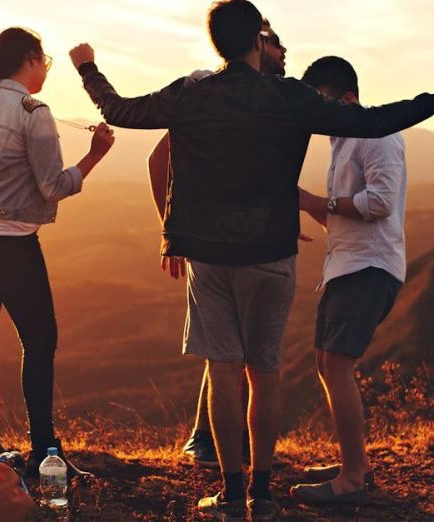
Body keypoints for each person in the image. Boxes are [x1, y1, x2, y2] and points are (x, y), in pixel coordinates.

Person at [69, 0, 434, 518]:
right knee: (265, 372)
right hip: (271, 253)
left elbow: (121, 111)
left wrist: (87, 67)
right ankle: (262, 494)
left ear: (218, 41)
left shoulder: (193, 94)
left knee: (223, 373)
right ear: (258, 40)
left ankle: (232, 491)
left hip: (210, 255)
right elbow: (375, 121)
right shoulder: (289, 97)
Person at [0, 27, 115, 480]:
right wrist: (96, 154)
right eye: (45, 63)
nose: (46, 72)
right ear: (30, 59)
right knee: (40, 338)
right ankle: (45, 449)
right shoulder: (33, 111)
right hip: (9, 237)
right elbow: (53, 186)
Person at [147, 17, 286, 468]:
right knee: (225, 351)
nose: (285, 53)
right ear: (256, 44)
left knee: (235, 349)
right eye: (276, 43)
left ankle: (225, 447)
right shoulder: (208, 89)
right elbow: (159, 157)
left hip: (248, 240)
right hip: (212, 242)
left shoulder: (266, 101)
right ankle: (206, 440)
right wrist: (173, 230)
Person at [289, 56, 406, 506]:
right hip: (346, 265)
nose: (316, 113)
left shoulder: (376, 136)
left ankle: (353, 479)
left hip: (369, 268)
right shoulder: (342, 141)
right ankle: (353, 462)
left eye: (321, 102)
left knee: (337, 365)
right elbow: (339, 209)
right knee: (326, 363)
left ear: (348, 98)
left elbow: (378, 203)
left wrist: (321, 201)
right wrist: (303, 205)